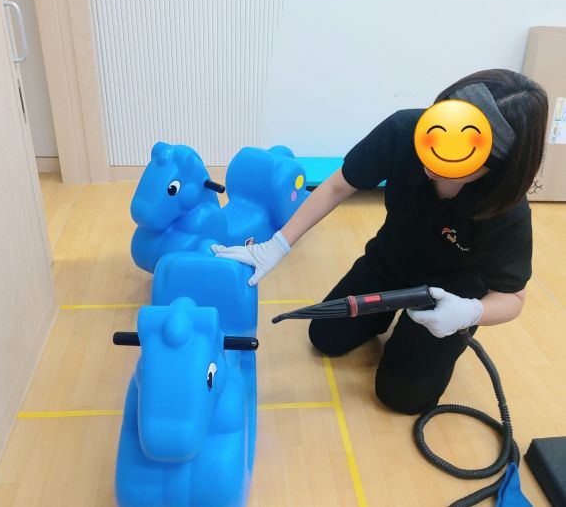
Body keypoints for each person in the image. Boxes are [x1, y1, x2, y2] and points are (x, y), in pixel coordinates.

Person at [212, 69, 548, 415]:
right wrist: (277, 244)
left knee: (402, 398)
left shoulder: (506, 209)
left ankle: (417, 338)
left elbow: (512, 297)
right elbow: (337, 185)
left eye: (456, 161)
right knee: (325, 337)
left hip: (449, 294)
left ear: (498, 166)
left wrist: (469, 312)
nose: (432, 160)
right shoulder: (404, 130)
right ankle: (387, 323)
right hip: (389, 262)